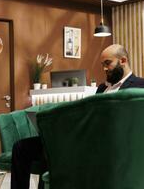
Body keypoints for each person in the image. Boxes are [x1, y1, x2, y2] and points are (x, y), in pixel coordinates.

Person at [11, 44, 144, 189]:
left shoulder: (139, 85)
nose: (104, 68)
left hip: (107, 143)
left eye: (108, 63)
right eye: (102, 65)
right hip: (84, 136)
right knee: (22, 147)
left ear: (123, 61)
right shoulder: (102, 88)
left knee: (52, 151)